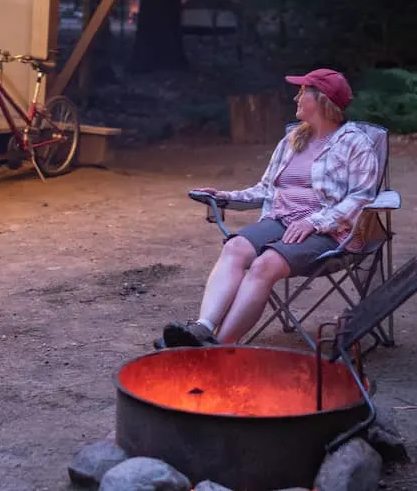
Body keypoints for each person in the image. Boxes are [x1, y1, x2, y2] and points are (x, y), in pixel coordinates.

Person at [160, 68, 382, 348]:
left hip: (332, 232)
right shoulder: (293, 140)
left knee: (265, 264)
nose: (296, 98)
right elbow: (266, 189)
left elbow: (361, 197)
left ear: (323, 101)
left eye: (303, 93)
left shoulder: (356, 144)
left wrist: (315, 222)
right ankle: (203, 329)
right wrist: (224, 196)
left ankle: (222, 346)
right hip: (280, 219)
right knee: (235, 247)